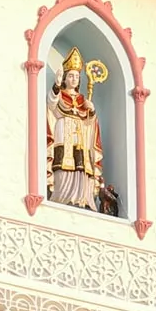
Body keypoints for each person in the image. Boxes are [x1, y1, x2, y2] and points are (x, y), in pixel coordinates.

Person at [43, 46, 120, 216]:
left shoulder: (83, 100)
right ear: (65, 78)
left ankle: (81, 198)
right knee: (63, 164)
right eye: (70, 75)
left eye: (77, 76)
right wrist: (56, 86)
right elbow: (51, 105)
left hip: (81, 137)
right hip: (63, 131)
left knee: (81, 166)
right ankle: (62, 195)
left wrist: (91, 111)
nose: (74, 79)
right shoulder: (60, 94)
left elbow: (90, 123)